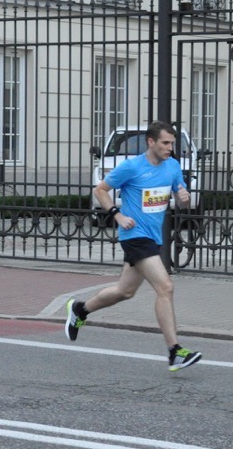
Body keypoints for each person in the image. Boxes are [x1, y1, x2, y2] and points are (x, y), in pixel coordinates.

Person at [65, 120, 202, 371]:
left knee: (125, 291)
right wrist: (117, 215)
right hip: (135, 235)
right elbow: (101, 190)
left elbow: (180, 197)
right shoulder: (132, 167)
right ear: (151, 142)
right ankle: (174, 351)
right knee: (165, 287)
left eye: (172, 143)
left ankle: (80, 309)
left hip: (153, 237)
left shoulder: (173, 166)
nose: (170, 148)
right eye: (165, 143)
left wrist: (184, 197)